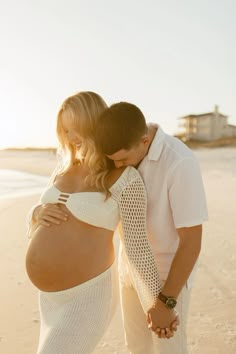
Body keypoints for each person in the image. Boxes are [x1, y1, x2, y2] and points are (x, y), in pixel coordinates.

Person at [25, 92, 172, 354]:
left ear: (95, 124)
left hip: (87, 298)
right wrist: (37, 212)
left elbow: (138, 248)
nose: (71, 137)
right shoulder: (62, 169)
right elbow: (41, 216)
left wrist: (160, 304)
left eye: (76, 128)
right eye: (66, 130)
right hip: (49, 300)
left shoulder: (123, 178)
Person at [95, 102, 208, 354]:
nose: (118, 166)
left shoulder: (179, 162)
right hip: (130, 272)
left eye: (122, 159)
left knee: (169, 350)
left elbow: (192, 240)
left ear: (144, 142)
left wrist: (166, 303)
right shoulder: (120, 155)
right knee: (137, 349)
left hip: (168, 278)